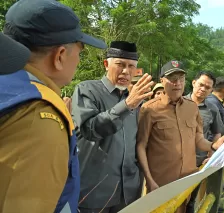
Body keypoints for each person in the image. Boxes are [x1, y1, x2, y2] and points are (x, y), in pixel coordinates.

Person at [0, 0, 107, 212]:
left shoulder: (11, 89)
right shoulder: (39, 116)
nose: (78, 59)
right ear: (59, 56)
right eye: (80, 50)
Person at [72, 41, 154, 213]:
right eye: (120, 64)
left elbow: (137, 143)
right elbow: (90, 129)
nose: (126, 71)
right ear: (106, 64)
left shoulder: (136, 99)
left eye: (131, 66)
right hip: (94, 192)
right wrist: (127, 105)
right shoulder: (87, 90)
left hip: (128, 192)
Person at [136, 60, 224, 213]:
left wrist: (213, 145)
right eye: (172, 79)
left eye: (181, 79)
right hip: (161, 184)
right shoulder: (149, 109)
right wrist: (149, 180)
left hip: (188, 182)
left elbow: (198, 139)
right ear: (162, 80)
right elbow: (141, 146)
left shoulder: (192, 107)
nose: (177, 83)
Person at [184, 71, 224, 213]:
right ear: (194, 83)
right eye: (201, 85)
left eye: (207, 87)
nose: (203, 89)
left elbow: (217, 133)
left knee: (190, 201)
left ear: (211, 90)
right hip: (175, 162)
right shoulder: (178, 103)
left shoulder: (212, 109)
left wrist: (211, 155)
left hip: (198, 162)